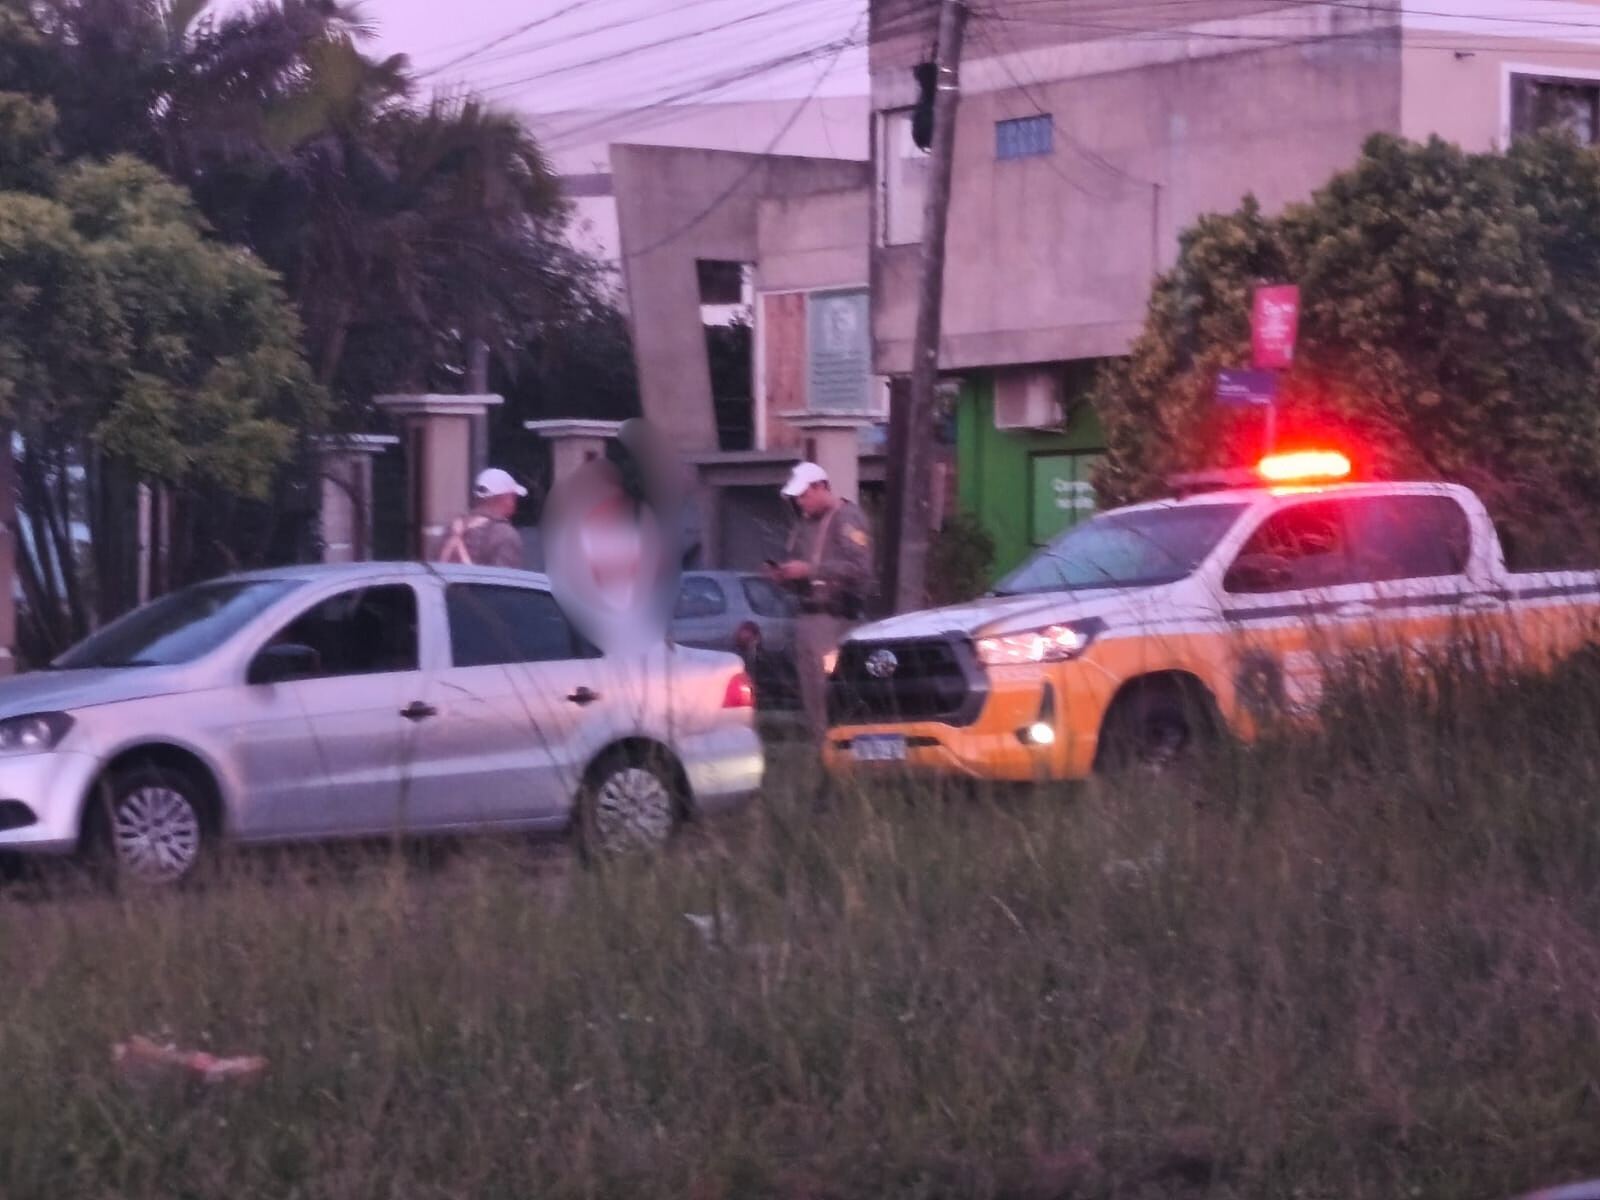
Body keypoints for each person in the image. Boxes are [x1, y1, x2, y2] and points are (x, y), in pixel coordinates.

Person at [769, 461, 875, 744]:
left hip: (834, 620)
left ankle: (840, 754)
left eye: (804, 495)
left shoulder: (847, 519)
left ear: (820, 487)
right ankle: (822, 755)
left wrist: (811, 571)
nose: (800, 503)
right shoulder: (806, 525)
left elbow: (860, 568)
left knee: (830, 695)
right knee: (811, 697)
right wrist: (786, 575)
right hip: (807, 617)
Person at [432, 467, 528, 568]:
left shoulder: (449, 530)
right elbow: (505, 581)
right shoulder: (506, 536)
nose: (515, 503)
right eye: (513, 497)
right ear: (506, 498)